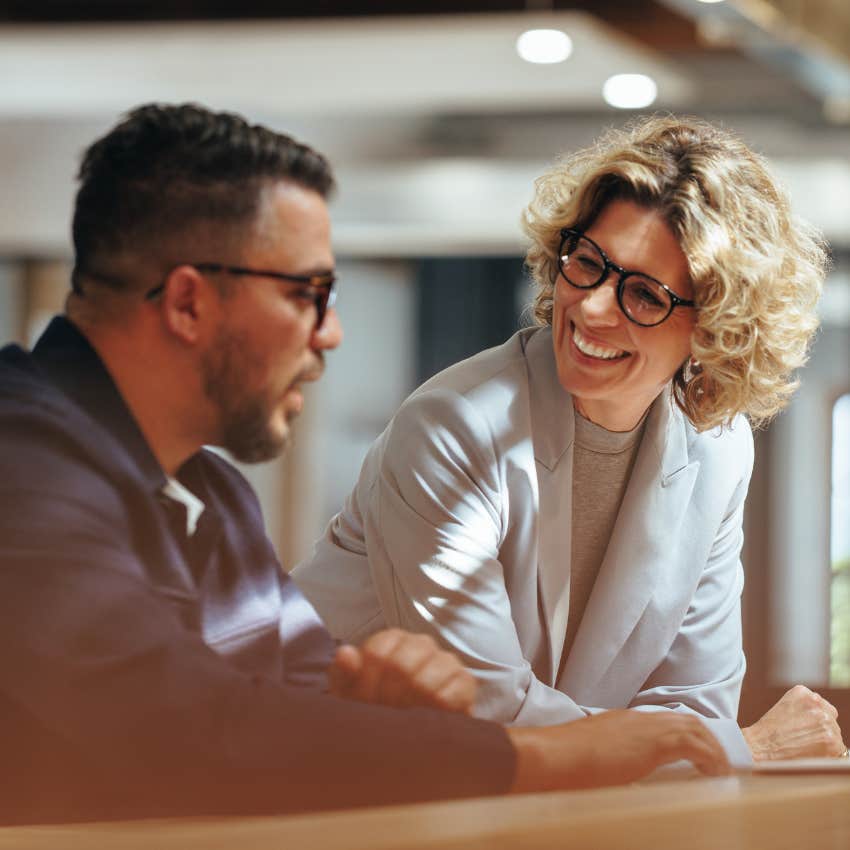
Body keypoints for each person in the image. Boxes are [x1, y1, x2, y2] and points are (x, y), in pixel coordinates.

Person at [0, 104, 732, 826]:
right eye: (308, 294)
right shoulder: (20, 467)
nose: (332, 334)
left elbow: (290, 703)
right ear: (189, 302)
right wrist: (571, 754)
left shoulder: (210, 491)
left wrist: (371, 705)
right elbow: (192, 732)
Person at [294, 115, 845, 763]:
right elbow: (490, 712)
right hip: (312, 779)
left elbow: (695, 699)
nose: (591, 307)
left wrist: (699, 743)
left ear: (715, 328)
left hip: (519, 802)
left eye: (643, 294)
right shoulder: (454, 424)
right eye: (587, 262)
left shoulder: (717, 447)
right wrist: (744, 748)